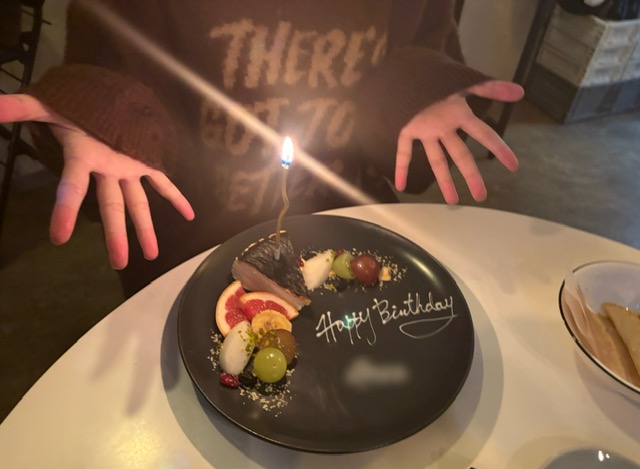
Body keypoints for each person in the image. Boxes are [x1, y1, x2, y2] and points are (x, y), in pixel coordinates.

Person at [0, 0, 524, 297]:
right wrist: (109, 111)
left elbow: (419, 53)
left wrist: (409, 89)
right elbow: (110, 71)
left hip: (347, 234)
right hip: (189, 254)